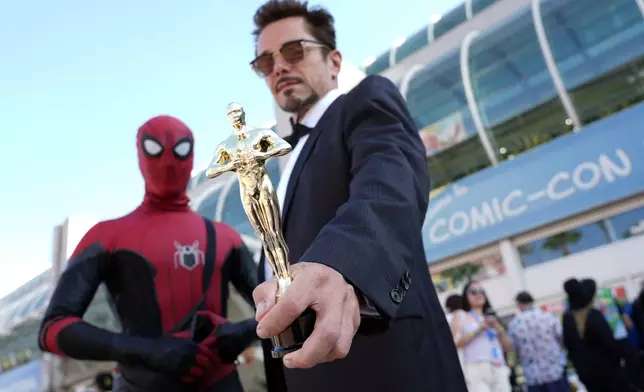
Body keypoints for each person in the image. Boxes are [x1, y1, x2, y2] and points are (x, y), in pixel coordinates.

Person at [249, 1, 467, 391]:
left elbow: (389, 185)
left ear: (334, 61)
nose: (279, 66)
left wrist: (340, 264)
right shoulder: (281, 160)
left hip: (386, 367)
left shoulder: (365, 99)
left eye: (294, 51)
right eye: (266, 63)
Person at [38, 115, 260, 392]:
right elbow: (53, 330)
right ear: (140, 153)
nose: (168, 161)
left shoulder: (225, 237)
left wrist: (242, 332)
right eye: (155, 148)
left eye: (180, 150)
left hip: (213, 381)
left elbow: (276, 308)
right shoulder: (107, 237)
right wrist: (149, 350)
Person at [562, 278, 636, 392]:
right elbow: (609, 344)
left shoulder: (567, 319)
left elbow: (569, 348)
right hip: (609, 373)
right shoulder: (593, 316)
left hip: (587, 376)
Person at [450, 281, 512, 392]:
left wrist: (499, 329)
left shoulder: (492, 316)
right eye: (473, 292)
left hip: (498, 365)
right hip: (475, 367)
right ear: (465, 296)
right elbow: (456, 343)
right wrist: (479, 329)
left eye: (481, 291)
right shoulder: (461, 315)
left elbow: (507, 347)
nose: (479, 294)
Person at [508, 291, 569, 392]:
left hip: (532, 377)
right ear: (532, 301)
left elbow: (512, 350)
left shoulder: (514, 325)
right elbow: (562, 338)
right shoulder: (548, 317)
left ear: (518, 304)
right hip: (555, 371)